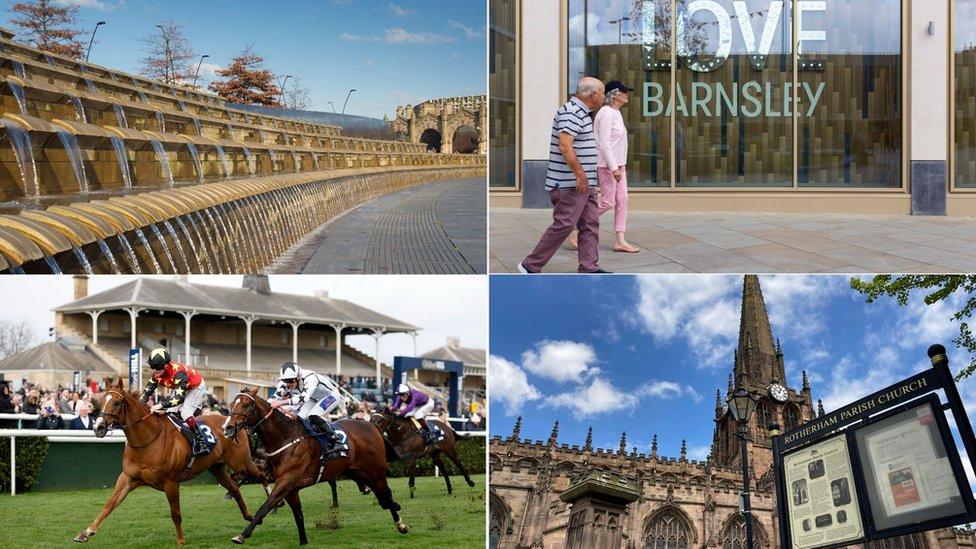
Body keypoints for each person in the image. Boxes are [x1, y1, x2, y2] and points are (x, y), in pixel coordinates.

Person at [518, 76, 610, 274]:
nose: (604, 98)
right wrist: (580, 175)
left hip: (583, 184)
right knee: (564, 225)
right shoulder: (572, 112)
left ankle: (589, 267)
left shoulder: (582, 113)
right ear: (593, 94)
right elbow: (565, 145)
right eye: (602, 93)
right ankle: (530, 265)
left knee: (590, 224)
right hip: (571, 184)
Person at [594, 80, 640, 253]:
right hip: (608, 166)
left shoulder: (616, 113)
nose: (627, 94)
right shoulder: (606, 113)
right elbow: (604, 144)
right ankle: (577, 225)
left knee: (622, 201)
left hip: (619, 166)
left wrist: (619, 167)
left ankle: (620, 241)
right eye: (624, 91)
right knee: (607, 202)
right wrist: (614, 168)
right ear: (614, 94)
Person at [139, 347, 210, 456]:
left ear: (166, 364)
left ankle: (201, 441)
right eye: (154, 367)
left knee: (185, 412)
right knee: (170, 414)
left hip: (195, 386)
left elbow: (179, 398)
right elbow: (145, 393)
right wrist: (140, 406)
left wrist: (161, 405)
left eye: (159, 367)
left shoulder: (178, 372)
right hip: (182, 387)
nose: (157, 370)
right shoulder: (156, 374)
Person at [270, 362, 343, 451]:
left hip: (330, 396)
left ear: (298, 377)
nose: (288, 384)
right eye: (286, 381)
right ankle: (310, 440)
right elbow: (274, 397)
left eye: (291, 380)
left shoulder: (310, 377)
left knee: (313, 415)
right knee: (301, 418)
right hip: (314, 398)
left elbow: (303, 399)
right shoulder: (287, 382)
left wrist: (280, 403)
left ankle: (336, 439)